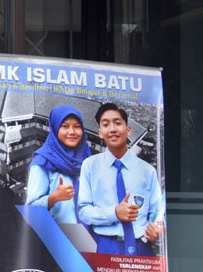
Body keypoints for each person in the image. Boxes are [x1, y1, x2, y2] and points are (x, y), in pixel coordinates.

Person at [76, 102, 165, 255]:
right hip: (103, 245)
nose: (112, 129)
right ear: (100, 132)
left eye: (117, 123)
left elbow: (157, 212)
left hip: (140, 245)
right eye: (106, 125)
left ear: (128, 130)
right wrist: (114, 213)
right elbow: (84, 211)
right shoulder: (89, 166)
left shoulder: (147, 171)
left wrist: (158, 229)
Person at [25, 105, 89, 224]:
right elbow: (31, 211)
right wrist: (54, 197)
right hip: (59, 233)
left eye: (77, 127)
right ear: (55, 128)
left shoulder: (86, 158)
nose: (72, 132)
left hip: (88, 231)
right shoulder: (43, 163)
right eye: (65, 126)